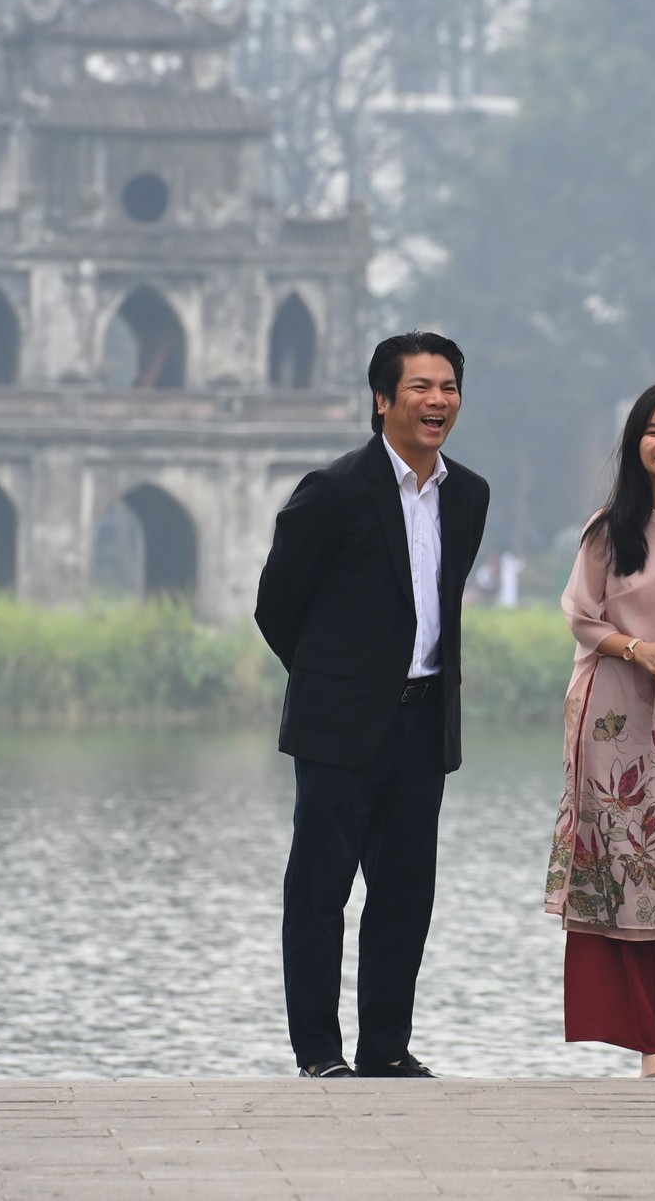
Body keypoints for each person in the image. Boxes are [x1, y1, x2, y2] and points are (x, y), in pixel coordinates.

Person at [254, 331, 490, 1079]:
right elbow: (276, 606)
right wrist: (337, 682)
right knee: (319, 893)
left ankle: (385, 1046)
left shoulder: (468, 495)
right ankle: (320, 1053)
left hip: (423, 724)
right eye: (419, 386)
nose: (437, 400)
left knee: (404, 894)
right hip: (340, 727)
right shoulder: (334, 490)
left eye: (448, 386)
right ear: (382, 399)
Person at [544, 385, 655, 1078]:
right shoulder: (607, 528)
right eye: (654, 430)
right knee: (623, 860)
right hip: (613, 709)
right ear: (635, 444)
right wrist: (634, 648)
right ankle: (648, 1042)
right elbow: (580, 613)